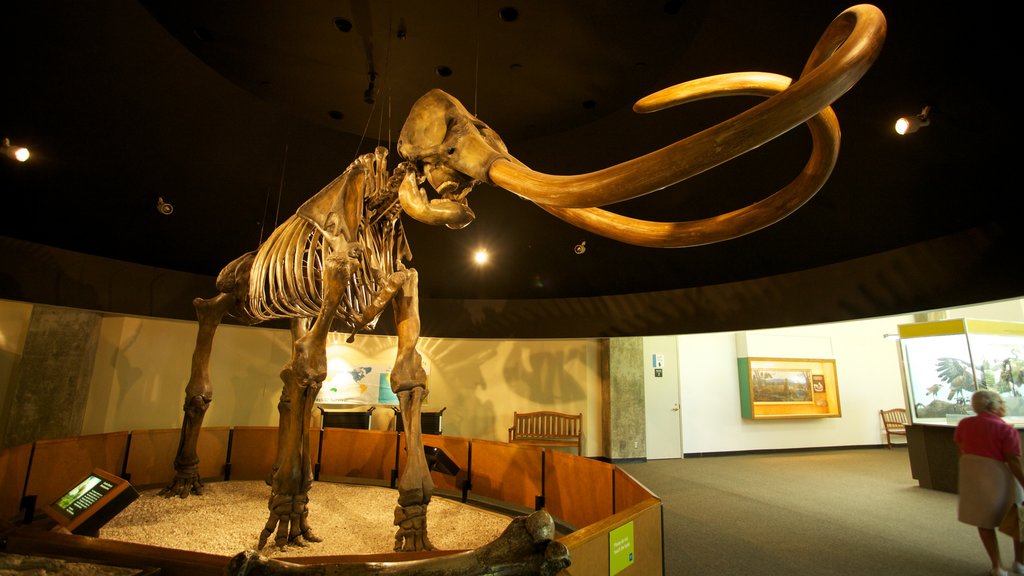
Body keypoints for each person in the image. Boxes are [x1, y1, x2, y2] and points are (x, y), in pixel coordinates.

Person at [956, 389, 1024, 576]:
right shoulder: (1005, 429)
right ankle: (1019, 562)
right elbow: (1013, 460)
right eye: (1002, 402)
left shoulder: (964, 424)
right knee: (1019, 517)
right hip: (1001, 478)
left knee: (984, 520)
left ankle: (997, 566)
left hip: (974, 478)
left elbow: (961, 449)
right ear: (995, 405)